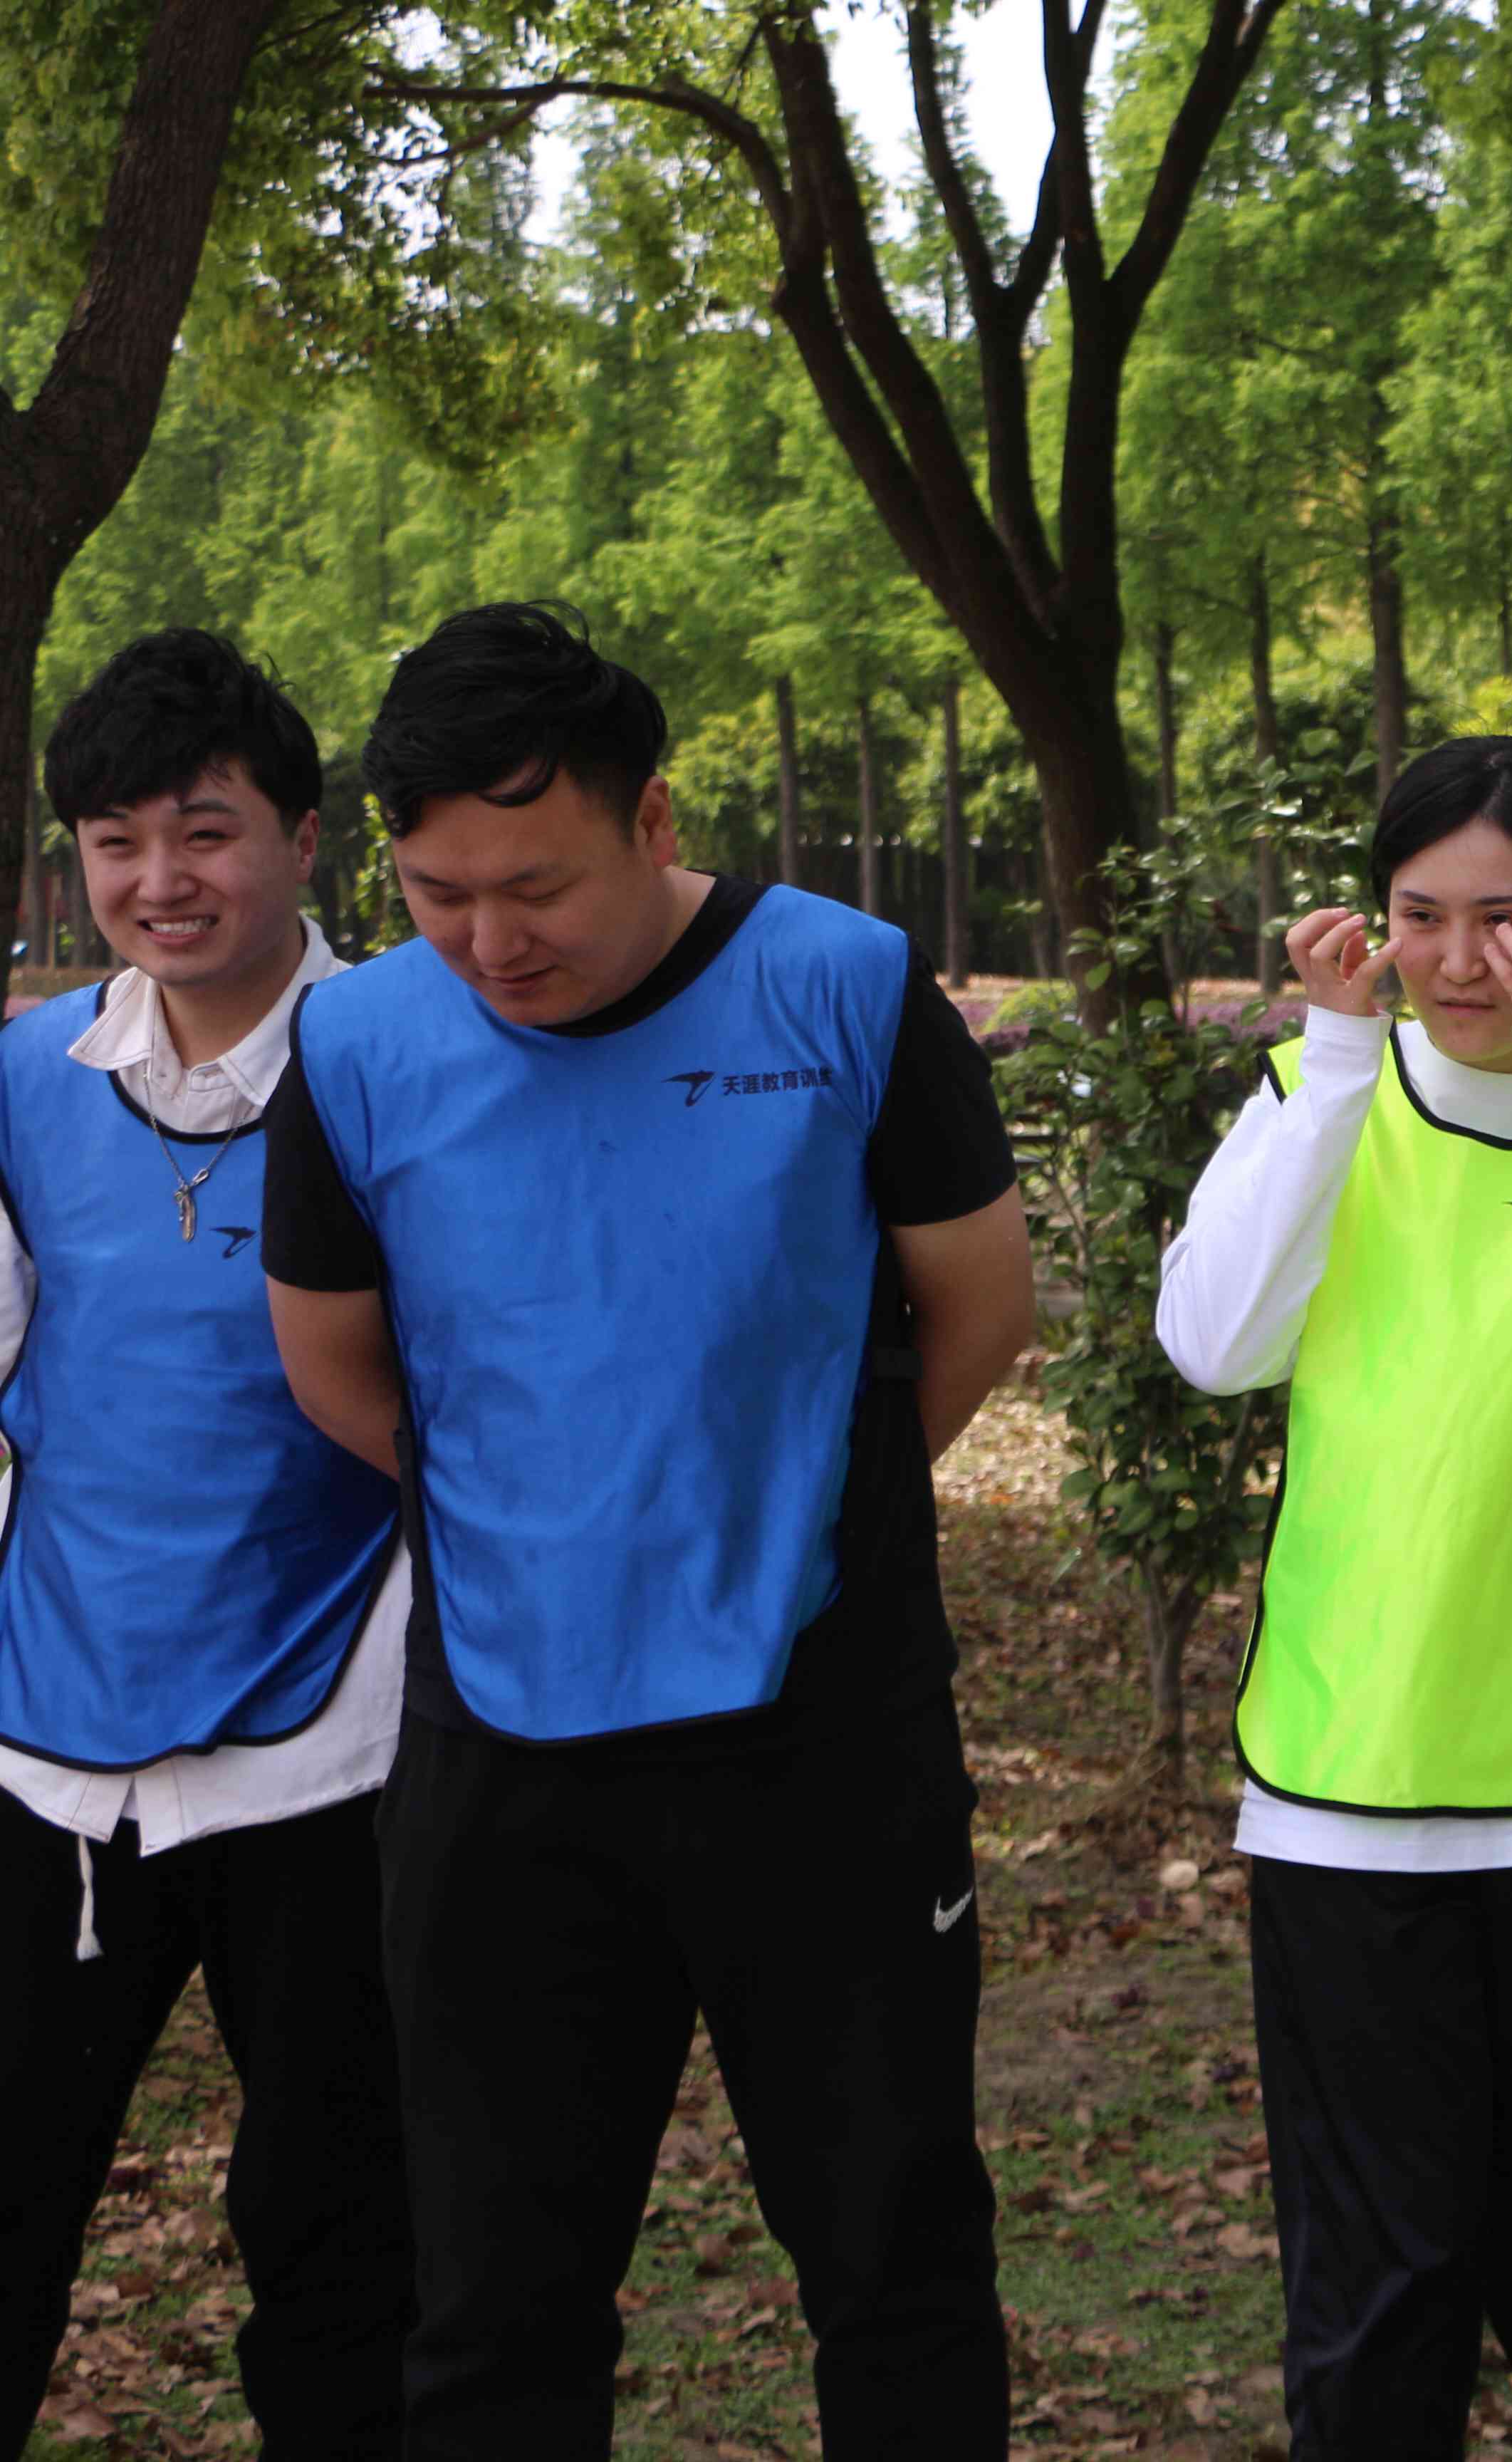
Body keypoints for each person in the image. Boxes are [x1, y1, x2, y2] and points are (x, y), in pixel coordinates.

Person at [262, 601, 1033, 2458]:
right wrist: (554, 1510)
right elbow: (335, 1369)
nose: (490, 940)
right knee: (492, 2304)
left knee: (897, 2267)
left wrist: (769, 1490)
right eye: (439, 895)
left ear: (656, 819)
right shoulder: (355, 1043)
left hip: (823, 1744)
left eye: (536, 886)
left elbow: (980, 1313)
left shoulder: (844, 985)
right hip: (501, 1764)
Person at [1154, 735, 1512, 2459]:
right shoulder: (1317, 1091)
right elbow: (1215, 1344)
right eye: (1421, 916)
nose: (1462, 962)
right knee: (1373, 2317)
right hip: (1347, 1800)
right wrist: (1338, 1061)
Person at [0, 630, 414, 2456]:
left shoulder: (411, 1062)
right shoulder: (24, 1080)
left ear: (304, 840)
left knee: (342, 2237)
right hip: (46, 1748)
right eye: (115, 842)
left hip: (335, 1750)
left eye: (204, 831)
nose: (159, 880)